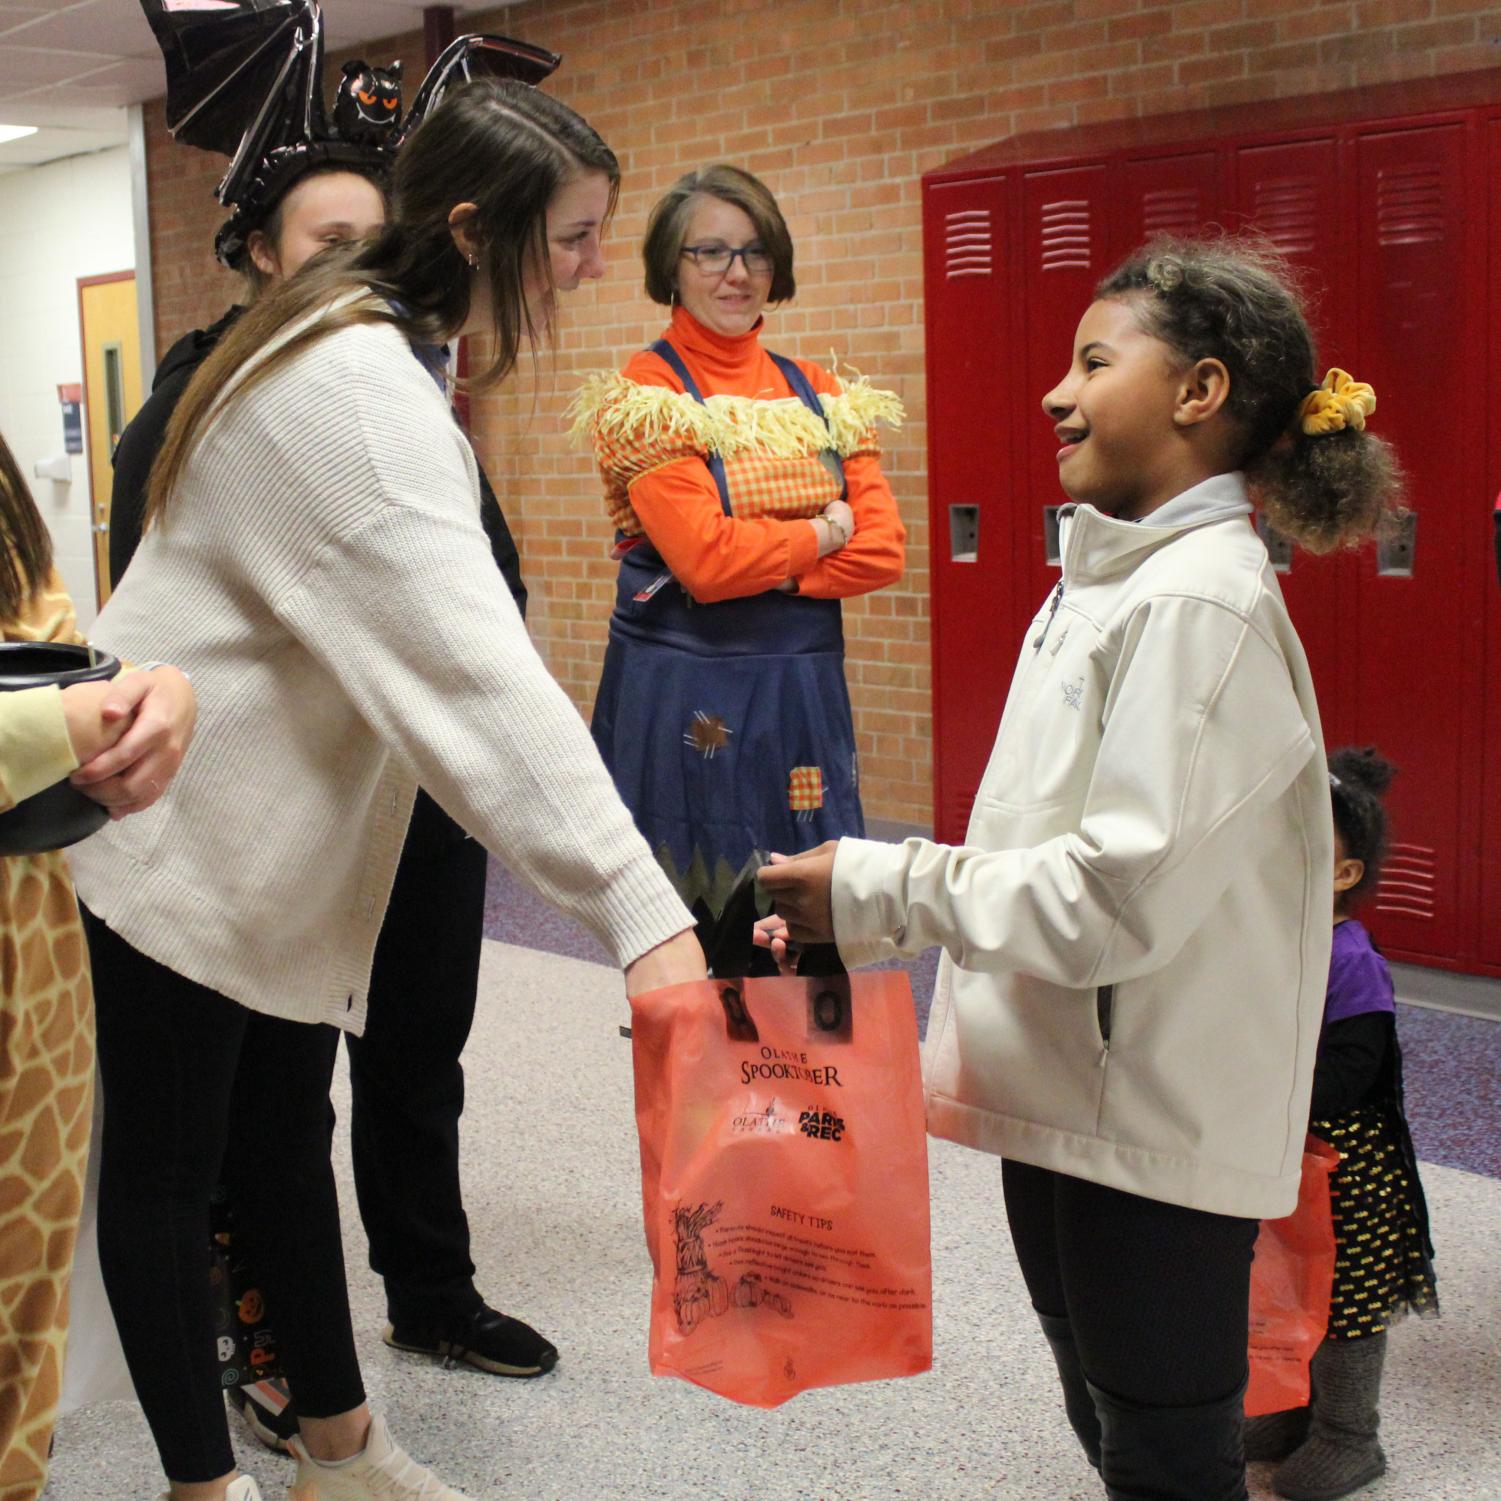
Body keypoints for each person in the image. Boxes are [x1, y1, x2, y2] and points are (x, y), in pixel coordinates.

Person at [69, 78, 703, 1501]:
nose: (597, 264)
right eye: (577, 236)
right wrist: (643, 917)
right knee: (173, 1178)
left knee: (286, 1142)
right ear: (477, 227)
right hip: (168, 841)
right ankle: (201, 1483)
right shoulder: (354, 389)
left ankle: (341, 1451)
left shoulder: (375, 346)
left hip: (262, 848)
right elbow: (477, 675)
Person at [759, 237, 1403, 1500]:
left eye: (1093, 361)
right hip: (1070, 1085)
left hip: (1146, 1113)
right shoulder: (1109, 576)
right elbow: (1042, 843)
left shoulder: (1194, 601)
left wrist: (881, 888)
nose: (1056, 393)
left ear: (1199, 391)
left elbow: (1113, 896)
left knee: (1165, 1454)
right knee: (1106, 1417)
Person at [109, 158, 550, 1456]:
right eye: (330, 238)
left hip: (395, 796)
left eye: (377, 238)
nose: (361, 263)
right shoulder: (212, 393)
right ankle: (259, 1385)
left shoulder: (396, 389)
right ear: (259, 251)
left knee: (403, 1059)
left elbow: (472, 603)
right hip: (244, 820)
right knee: (232, 1128)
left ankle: (404, 1327)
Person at [570, 163, 904, 970]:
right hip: (689, 690)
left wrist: (771, 556)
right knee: (702, 927)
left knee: (807, 919)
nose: (736, 272)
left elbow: (884, 548)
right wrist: (822, 532)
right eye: (710, 252)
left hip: (798, 690)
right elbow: (706, 562)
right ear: (670, 269)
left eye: (754, 251)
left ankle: (803, 1088)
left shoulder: (820, 392)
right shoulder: (647, 395)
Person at [0, 432, 195, 1498]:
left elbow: (53, 653)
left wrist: (154, 695)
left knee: (22, 1336)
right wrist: (51, 726)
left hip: (33, 971)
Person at [1246, 747, 1438, 1501]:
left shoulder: (1349, 958)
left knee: (1345, 1297)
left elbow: (1352, 1068)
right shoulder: (1269, 941)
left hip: (1347, 1161)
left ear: (1344, 874)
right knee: (1286, 1281)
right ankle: (1291, 1411)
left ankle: (1349, 1436)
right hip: (1285, 1149)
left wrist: (1272, 1096)